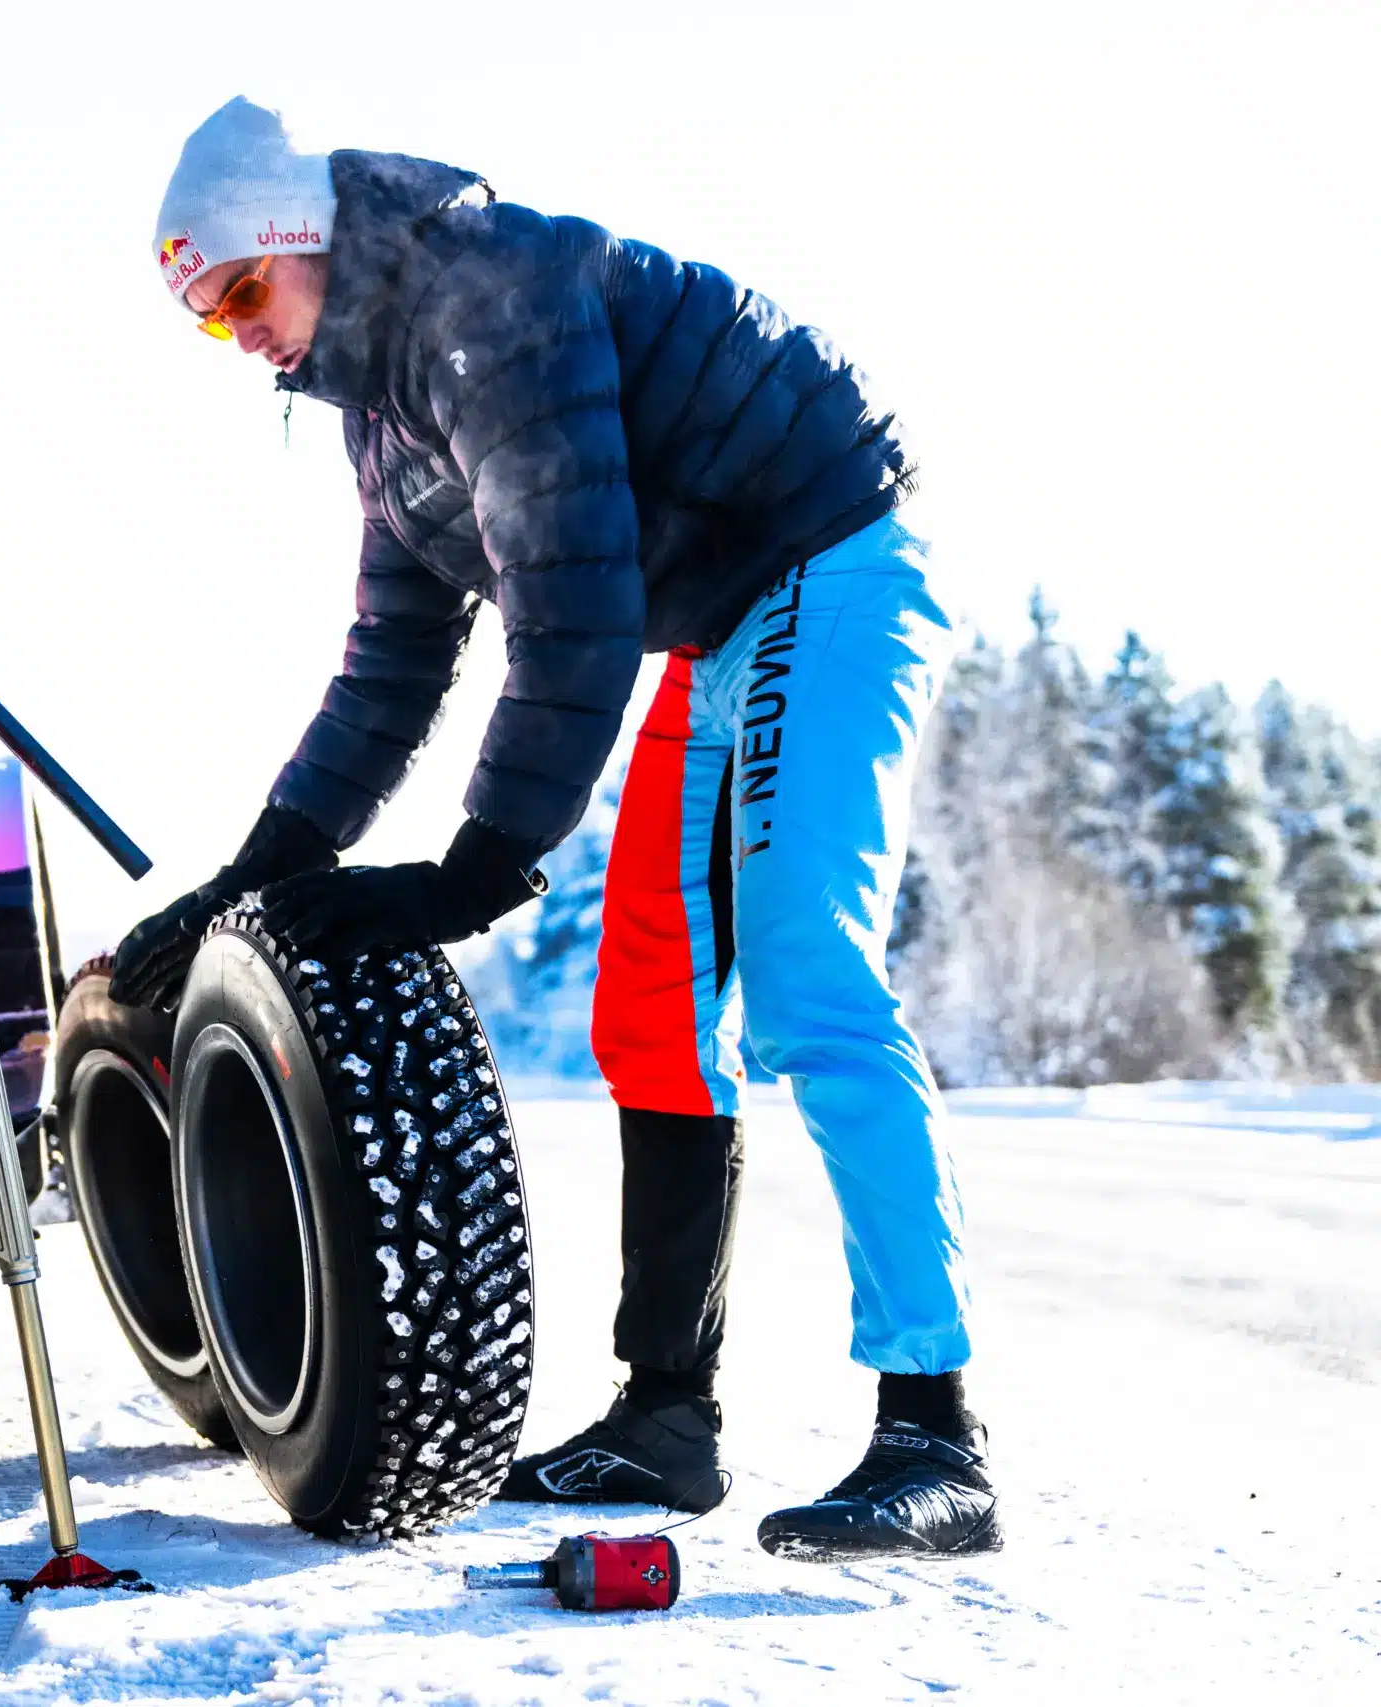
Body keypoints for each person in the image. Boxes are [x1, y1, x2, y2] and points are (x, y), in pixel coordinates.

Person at [111, 98, 995, 1559]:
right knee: (650, 1001)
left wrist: (473, 870)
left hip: (827, 554)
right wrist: (256, 871)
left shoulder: (488, 295)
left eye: (244, 292)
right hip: (718, 629)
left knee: (807, 982)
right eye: (209, 320)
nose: (239, 334)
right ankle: (665, 1420)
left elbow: (568, 602)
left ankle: (934, 1430)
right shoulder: (383, 414)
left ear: (299, 240)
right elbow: (394, 663)